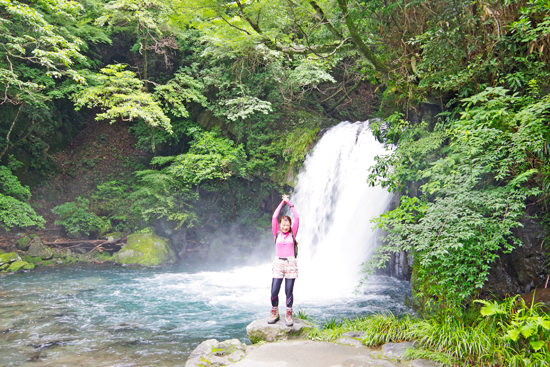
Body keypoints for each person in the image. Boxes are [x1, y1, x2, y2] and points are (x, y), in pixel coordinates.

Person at [268, 194, 299, 326]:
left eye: (287, 225)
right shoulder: (277, 234)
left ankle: (288, 313)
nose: (285, 227)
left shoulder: (293, 234)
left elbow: (297, 217)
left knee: (288, 290)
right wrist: (282, 203)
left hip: (290, 263)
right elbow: (274, 217)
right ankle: (274, 311)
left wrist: (290, 204)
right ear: (280, 225)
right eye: (283, 224)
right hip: (278, 264)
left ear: (290, 226)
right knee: (274, 290)